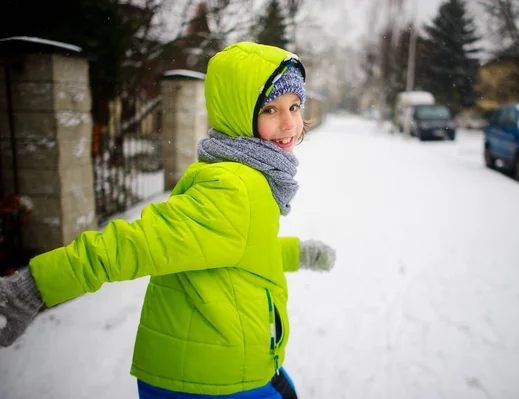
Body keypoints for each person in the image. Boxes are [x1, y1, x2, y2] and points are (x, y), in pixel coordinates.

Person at [0, 41, 336, 399]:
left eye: (294, 107)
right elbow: (137, 244)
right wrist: (36, 285)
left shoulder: (245, 173)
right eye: (270, 109)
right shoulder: (237, 186)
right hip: (209, 380)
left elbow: (236, 250)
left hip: (213, 364)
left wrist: (294, 253)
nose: (290, 123)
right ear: (239, 114)